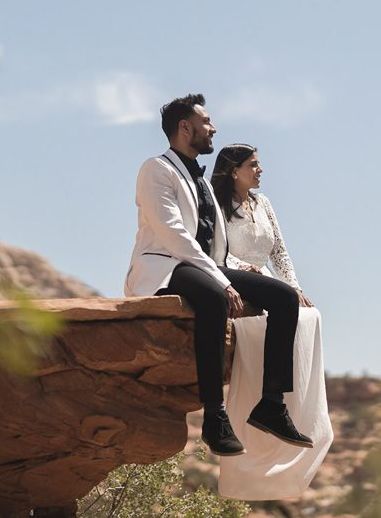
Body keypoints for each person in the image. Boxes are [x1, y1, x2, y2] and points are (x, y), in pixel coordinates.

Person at [124, 93, 312, 458]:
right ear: (184, 128)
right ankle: (215, 416)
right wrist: (223, 281)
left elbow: (218, 250)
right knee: (211, 297)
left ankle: (271, 403)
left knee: (284, 298)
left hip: (205, 265)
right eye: (206, 122)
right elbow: (173, 235)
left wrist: (237, 271)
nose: (213, 129)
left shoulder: (205, 182)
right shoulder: (156, 170)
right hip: (165, 265)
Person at [210, 143, 334, 500]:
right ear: (234, 170)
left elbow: (280, 250)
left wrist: (294, 286)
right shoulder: (217, 204)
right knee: (266, 321)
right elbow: (214, 249)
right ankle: (267, 408)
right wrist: (240, 266)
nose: (260, 170)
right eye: (253, 165)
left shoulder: (263, 204)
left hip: (267, 281)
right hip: (234, 278)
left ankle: (284, 406)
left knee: (312, 315)